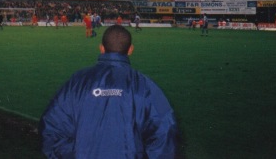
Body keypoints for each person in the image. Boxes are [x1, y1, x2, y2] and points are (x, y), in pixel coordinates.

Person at [39, 25, 178, 158]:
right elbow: (165, 130)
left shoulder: (77, 83)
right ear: (130, 50)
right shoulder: (145, 86)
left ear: (101, 48)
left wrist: (77, 154)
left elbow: (50, 127)